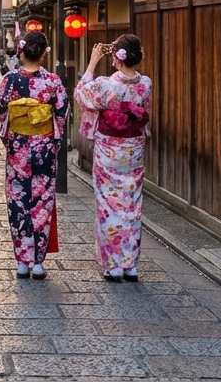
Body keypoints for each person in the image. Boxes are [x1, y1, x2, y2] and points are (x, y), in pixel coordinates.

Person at [74, 34, 152, 283]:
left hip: (109, 151)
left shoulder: (107, 85)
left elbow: (81, 95)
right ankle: (130, 265)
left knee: (109, 205)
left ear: (116, 59)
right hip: (134, 150)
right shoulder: (145, 84)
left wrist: (92, 62)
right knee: (131, 204)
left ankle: (114, 265)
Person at [0, 31, 69, 280]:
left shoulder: (9, 80)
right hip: (44, 148)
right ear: (44, 54)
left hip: (18, 147)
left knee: (18, 201)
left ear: (21, 51)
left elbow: (2, 110)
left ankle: (22, 262)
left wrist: (11, 139)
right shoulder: (53, 82)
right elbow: (61, 114)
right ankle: (38, 263)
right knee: (42, 201)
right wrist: (53, 142)